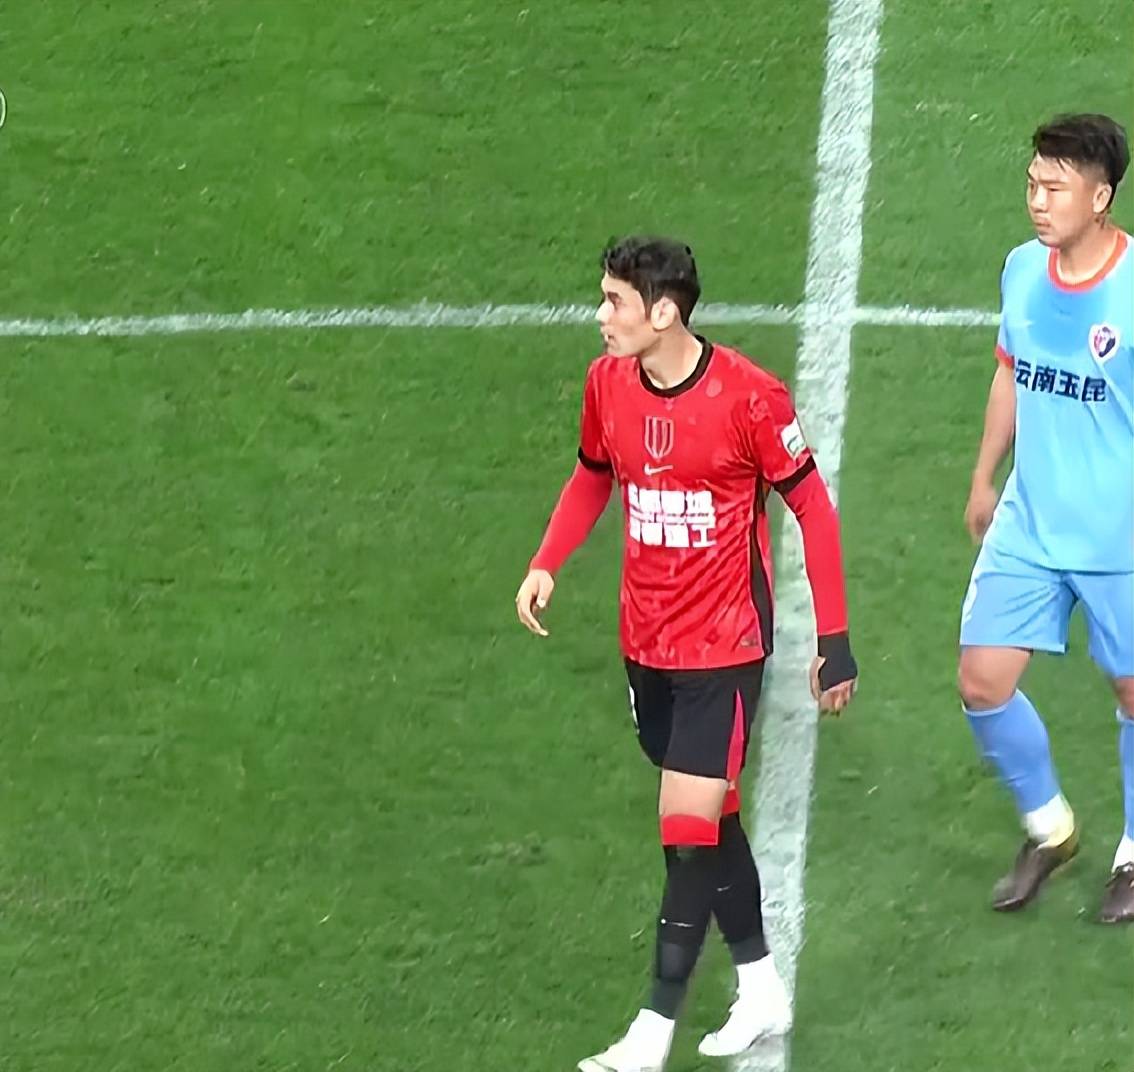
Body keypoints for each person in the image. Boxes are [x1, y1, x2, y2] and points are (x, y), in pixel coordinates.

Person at [514, 235, 859, 1071]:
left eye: (615, 302)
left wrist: (835, 642)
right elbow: (594, 473)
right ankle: (762, 988)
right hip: (647, 640)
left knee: (685, 828)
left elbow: (813, 509)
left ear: (664, 312)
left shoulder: (750, 399)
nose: (601, 316)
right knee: (712, 819)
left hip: (725, 644)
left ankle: (652, 1029)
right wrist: (547, 561)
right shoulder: (607, 384)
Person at [959, 113, 1134, 923]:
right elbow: (1010, 371)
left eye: (1055, 188)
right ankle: (1050, 829)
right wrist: (984, 476)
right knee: (982, 682)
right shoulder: (1022, 269)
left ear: (1099, 198)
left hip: (1117, 536)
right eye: (1032, 183)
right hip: (1029, 523)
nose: (1036, 200)